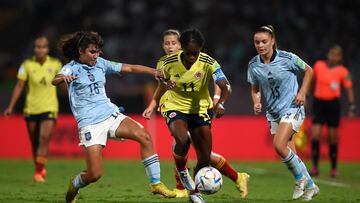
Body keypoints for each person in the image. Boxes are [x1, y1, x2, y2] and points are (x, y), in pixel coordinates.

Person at [51, 31, 175, 203]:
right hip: (90, 124)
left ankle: (156, 184)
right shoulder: (71, 67)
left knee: (144, 136)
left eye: (98, 51)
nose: (96, 55)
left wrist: (154, 71)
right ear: (81, 51)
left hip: (110, 114)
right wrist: (64, 77)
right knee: (95, 174)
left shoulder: (101, 63)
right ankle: (75, 183)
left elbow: (130, 67)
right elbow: (55, 80)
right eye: (92, 52)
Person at [143, 29, 249, 199]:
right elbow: (161, 82)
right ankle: (185, 179)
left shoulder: (208, 62)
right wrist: (156, 99)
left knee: (205, 156)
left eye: (196, 53)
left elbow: (226, 86)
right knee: (182, 140)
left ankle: (197, 191)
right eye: (189, 53)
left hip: (200, 109)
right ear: (182, 48)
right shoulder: (166, 62)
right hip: (174, 106)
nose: (192, 57)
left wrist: (220, 102)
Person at [247, 25, 319, 201]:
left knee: (279, 145)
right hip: (273, 112)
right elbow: (255, 88)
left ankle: (299, 179)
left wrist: (302, 92)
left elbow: (309, 70)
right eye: (257, 42)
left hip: (293, 107)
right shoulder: (253, 64)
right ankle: (311, 186)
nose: (261, 45)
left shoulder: (288, 58)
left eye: (264, 41)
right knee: (289, 152)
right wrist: (257, 101)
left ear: (272, 41)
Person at [4, 36, 62, 183]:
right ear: (34, 49)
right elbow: (19, 86)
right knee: (35, 142)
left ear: (48, 49)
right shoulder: (27, 65)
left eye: (43, 47)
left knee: (43, 138)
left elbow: (64, 85)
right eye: (38, 47)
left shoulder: (55, 64)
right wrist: (11, 106)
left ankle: (38, 172)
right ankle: (40, 166)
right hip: (31, 108)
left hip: (49, 107)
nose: (40, 49)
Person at [310, 45, 356, 178]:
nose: (333, 56)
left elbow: (349, 89)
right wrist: (305, 95)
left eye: (336, 54)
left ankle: (334, 168)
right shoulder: (318, 66)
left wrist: (352, 106)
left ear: (340, 57)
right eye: (331, 53)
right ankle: (314, 167)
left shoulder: (343, 71)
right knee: (316, 134)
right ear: (328, 54)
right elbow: (311, 81)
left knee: (332, 137)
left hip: (333, 105)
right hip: (319, 103)